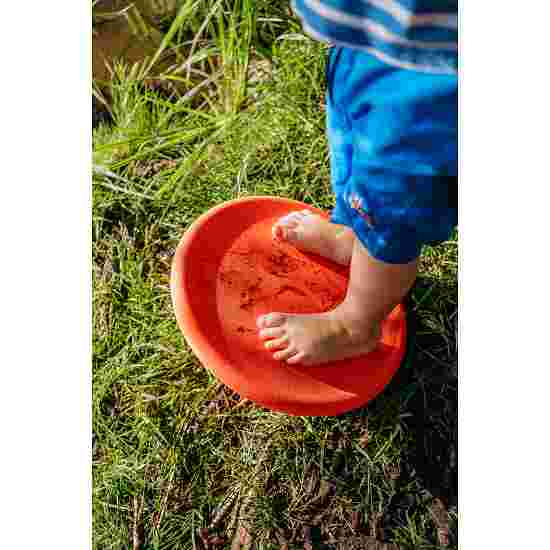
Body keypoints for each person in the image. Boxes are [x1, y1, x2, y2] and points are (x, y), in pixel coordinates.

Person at [256, 0, 458, 365]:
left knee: (388, 216)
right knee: (356, 155)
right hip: (368, 40)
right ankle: (351, 240)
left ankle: (355, 326)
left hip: (431, 84)